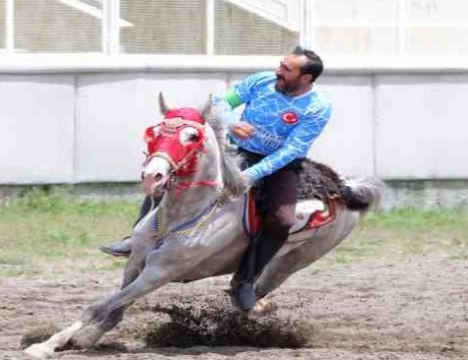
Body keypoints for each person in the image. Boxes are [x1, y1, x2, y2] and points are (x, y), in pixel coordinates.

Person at [99, 46, 332, 311]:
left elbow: (293, 150)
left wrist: (252, 174)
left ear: (306, 78)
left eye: (287, 69)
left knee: (282, 220)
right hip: (232, 148)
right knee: (171, 171)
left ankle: (245, 281)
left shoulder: (317, 107)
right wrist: (231, 122)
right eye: (281, 64)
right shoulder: (262, 80)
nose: (279, 71)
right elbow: (222, 102)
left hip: (279, 165)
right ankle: (135, 238)